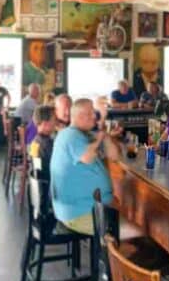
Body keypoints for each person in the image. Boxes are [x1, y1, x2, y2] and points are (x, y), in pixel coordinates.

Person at [50, 98, 123, 235]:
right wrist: (100, 138)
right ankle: (110, 252)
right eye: (91, 113)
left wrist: (105, 135)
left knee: (129, 216)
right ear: (80, 116)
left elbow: (114, 156)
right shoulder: (70, 135)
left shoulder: (84, 135)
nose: (95, 116)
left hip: (90, 206)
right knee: (137, 231)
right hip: (78, 212)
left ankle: (111, 249)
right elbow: (87, 158)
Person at [28, 106, 56, 183]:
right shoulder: (48, 144)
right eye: (54, 120)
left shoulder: (35, 141)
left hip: (39, 182)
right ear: (45, 124)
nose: (56, 122)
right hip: (49, 183)